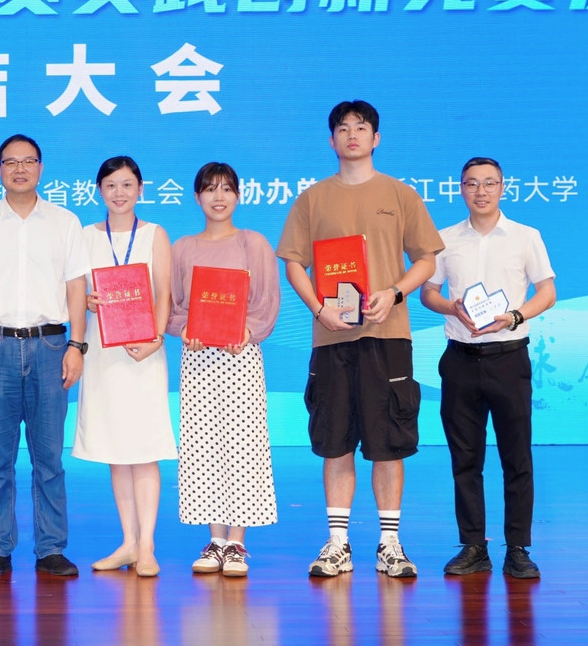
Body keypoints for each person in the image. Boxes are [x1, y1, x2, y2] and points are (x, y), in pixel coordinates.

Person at [277, 101, 445, 579]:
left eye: (362, 127)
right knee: (335, 441)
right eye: (343, 128)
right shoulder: (312, 199)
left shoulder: (400, 194)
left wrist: (395, 293)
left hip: (387, 335)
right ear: (331, 140)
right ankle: (337, 544)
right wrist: (319, 308)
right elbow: (294, 263)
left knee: (389, 441)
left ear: (376, 138)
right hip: (331, 337)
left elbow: (426, 259)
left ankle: (390, 544)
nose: (352, 135)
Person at [0, 133, 90, 578]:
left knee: (49, 458)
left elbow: (76, 287)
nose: (19, 169)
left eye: (28, 161)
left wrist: (76, 346)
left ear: (41, 168)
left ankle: (51, 547)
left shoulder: (65, 222)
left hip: (51, 346)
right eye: (10, 162)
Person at [420, 156, 555, 580]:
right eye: (472, 183)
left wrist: (515, 316)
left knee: (517, 456)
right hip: (460, 359)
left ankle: (518, 548)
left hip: (508, 358)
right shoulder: (444, 239)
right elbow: (428, 292)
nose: (481, 191)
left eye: (489, 183)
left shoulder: (525, 237)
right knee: (465, 457)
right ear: (460, 189)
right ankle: (473, 545)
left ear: (503, 188)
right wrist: (451, 307)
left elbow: (547, 291)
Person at [167, 161, 281, 577]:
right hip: (198, 358)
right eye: (210, 189)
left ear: (238, 196)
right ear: (196, 197)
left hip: (240, 357)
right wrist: (185, 330)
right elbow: (172, 305)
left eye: (227, 189)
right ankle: (215, 541)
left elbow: (266, 301)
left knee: (243, 445)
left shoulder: (253, 243)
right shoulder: (182, 248)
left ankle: (237, 543)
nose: (219, 197)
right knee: (203, 444)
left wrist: (247, 332)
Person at [71, 155, 176, 578]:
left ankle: (147, 545)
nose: (119, 193)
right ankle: (128, 541)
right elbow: (72, 292)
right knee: (117, 450)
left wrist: (155, 339)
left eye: (127, 184)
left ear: (140, 190)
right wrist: (86, 301)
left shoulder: (154, 234)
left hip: (144, 353)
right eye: (111, 185)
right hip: (103, 352)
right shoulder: (84, 236)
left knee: (144, 448)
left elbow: (165, 294)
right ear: (99, 191)